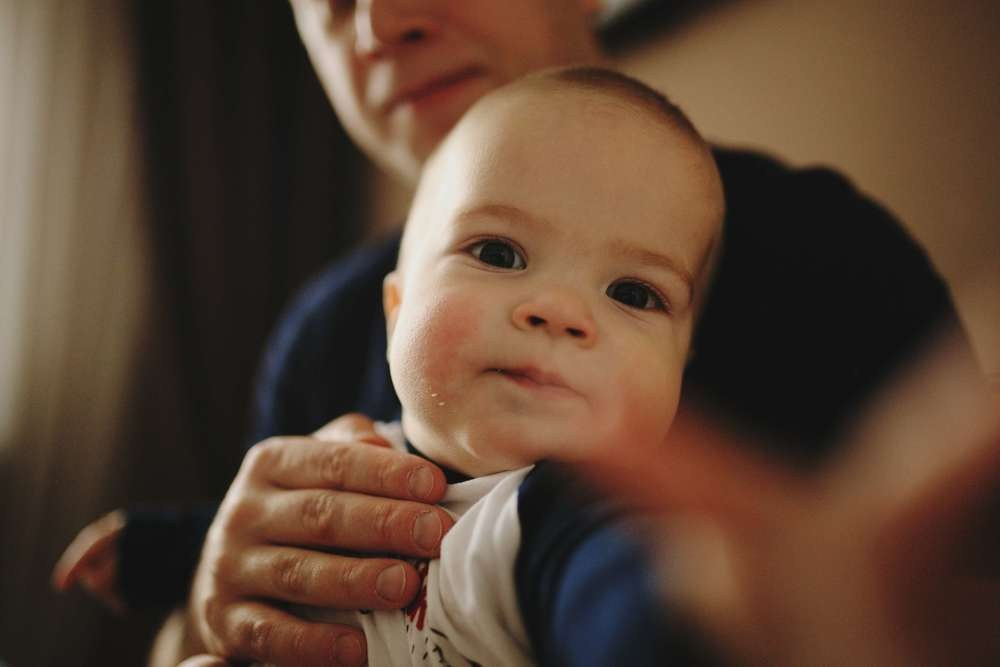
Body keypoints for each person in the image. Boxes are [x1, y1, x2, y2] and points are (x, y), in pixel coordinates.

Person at [54, 1, 971, 666]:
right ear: (395, 309)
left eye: (635, 294)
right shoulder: (319, 335)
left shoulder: (829, 255)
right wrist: (203, 603)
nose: (378, 23)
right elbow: (202, 611)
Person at [292, 65, 724, 666]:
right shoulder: (337, 463)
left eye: (632, 294)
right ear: (396, 311)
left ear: (681, 367)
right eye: (498, 254)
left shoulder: (569, 521)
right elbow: (217, 550)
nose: (560, 311)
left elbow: (634, 607)